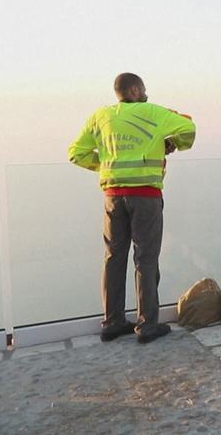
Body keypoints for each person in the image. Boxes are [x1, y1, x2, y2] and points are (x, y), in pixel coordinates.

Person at [68, 73, 196, 344]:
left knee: (114, 257)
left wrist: (104, 165)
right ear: (136, 90)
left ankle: (112, 322)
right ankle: (147, 325)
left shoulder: (100, 117)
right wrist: (172, 143)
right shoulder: (153, 111)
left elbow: (76, 153)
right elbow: (188, 128)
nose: (147, 94)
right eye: (144, 89)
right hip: (146, 196)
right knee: (146, 259)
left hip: (113, 195)